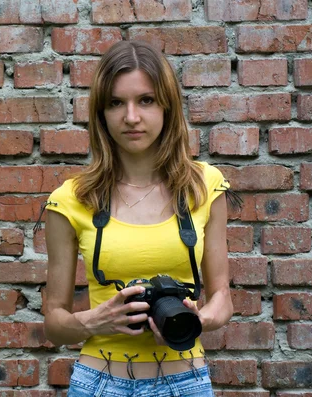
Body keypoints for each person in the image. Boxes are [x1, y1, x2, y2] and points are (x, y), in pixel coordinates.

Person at [41, 41, 238, 396]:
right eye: (116, 103)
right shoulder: (71, 199)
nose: (131, 117)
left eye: (145, 100)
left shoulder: (204, 186)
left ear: (167, 105)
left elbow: (222, 295)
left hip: (185, 380)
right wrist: (95, 320)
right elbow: (54, 324)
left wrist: (198, 319)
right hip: (98, 381)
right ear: (101, 113)